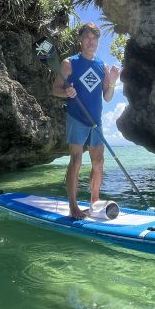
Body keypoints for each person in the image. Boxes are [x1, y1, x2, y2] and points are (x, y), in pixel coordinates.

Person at [52, 23, 120, 219]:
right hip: (77, 119)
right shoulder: (69, 63)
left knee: (98, 162)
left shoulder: (103, 66)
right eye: (87, 37)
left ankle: (94, 203)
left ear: (98, 41)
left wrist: (113, 81)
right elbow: (54, 90)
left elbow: (107, 97)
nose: (91, 41)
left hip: (96, 122)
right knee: (76, 161)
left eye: (95, 38)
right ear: (81, 40)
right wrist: (66, 92)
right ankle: (73, 206)